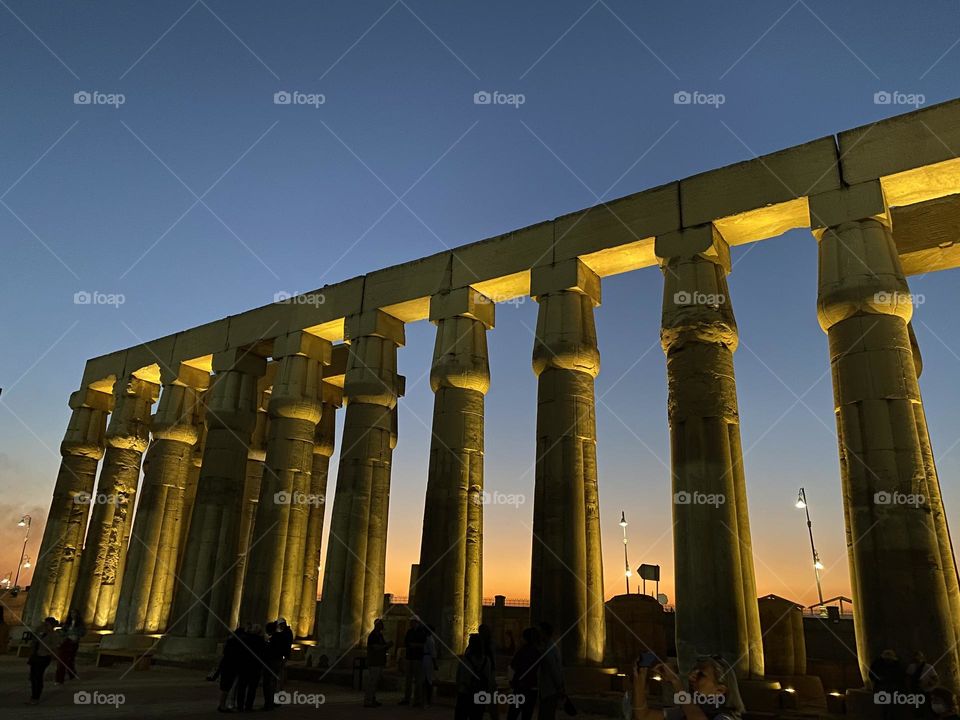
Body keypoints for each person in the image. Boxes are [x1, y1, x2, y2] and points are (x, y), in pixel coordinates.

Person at [631, 654, 745, 720]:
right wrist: (640, 678)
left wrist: (676, 682)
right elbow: (644, 715)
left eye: (701, 675)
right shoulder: (690, 710)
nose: (692, 677)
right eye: (694, 672)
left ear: (720, 690)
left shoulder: (725, 718)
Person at [456, 633, 494, 720]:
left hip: (465, 693)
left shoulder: (465, 660)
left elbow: (459, 676)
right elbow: (487, 678)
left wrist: (458, 688)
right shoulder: (486, 660)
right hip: (479, 694)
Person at [507, 627, 541, 720]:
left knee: (513, 714)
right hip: (532, 688)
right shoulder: (538, 652)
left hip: (520, 687)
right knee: (527, 715)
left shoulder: (522, 651)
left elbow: (513, 666)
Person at [26, 617, 57, 705]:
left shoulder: (54, 635)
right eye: (45, 624)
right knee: (33, 677)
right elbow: (34, 641)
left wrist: (48, 649)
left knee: (38, 677)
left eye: (47, 624)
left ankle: (36, 697)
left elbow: (54, 646)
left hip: (44, 657)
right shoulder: (40, 633)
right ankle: (33, 695)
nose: (45, 626)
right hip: (36, 656)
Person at [537, 622, 565, 720]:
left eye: (539, 632)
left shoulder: (549, 650)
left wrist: (559, 686)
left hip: (549, 689)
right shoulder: (550, 647)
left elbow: (554, 670)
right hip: (548, 689)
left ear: (544, 633)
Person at [236, 623, 266, 711]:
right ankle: (248, 706)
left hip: (244, 666)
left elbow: (240, 652)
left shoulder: (245, 639)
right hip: (255, 667)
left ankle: (240, 706)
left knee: (242, 687)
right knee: (252, 688)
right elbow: (263, 654)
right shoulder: (261, 641)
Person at [871, 649, 906, 720]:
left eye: (889, 660)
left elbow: (901, 676)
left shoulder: (896, 665)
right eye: (887, 659)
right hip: (883, 688)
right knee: (884, 708)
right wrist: (879, 679)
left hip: (892, 688)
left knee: (893, 708)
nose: (888, 661)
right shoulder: (878, 664)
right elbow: (871, 674)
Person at [216, 626, 245, 712]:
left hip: (226, 666)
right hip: (231, 667)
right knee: (226, 687)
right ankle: (222, 705)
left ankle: (222, 704)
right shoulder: (237, 643)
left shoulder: (230, 641)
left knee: (225, 687)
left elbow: (225, 653)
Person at [400, 617, 427, 706]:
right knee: (408, 679)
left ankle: (417, 700)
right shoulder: (409, 631)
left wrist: (414, 645)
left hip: (417, 658)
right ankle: (406, 699)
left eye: (412, 622)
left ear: (417, 622)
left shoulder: (422, 632)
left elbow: (423, 644)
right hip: (409, 657)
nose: (411, 624)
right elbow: (406, 642)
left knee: (418, 680)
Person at [365, 618, 392, 707]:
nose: (382, 626)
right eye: (380, 625)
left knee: (375, 682)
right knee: (372, 682)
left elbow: (382, 647)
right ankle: (368, 700)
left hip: (379, 661)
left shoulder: (379, 635)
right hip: (374, 661)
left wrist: (387, 645)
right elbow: (376, 647)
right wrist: (386, 645)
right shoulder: (373, 636)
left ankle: (372, 698)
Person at [54, 608, 85, 684]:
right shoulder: (67, 623)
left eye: (74, 613)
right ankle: (59, 679)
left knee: (70, 660)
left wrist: (72, 633)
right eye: (71, 613)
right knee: (62, 660)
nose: (73, 615)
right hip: (66, 642)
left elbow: (82, 633)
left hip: (74, 643)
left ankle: (72, 674)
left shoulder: (80, 624)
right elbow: (64, 632)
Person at [907, 651, 940, 716]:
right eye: (916, 656)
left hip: (927, 690)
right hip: (916, 690)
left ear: (923, 658)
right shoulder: (911, 667)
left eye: (919, 656)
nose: (917, 658)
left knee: (930, 707)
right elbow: (907, 678)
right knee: (918, 709)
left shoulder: (928, 667)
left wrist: (929, 684)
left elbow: (936, 679)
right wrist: (909, 687)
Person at [478, 623, 500, 718]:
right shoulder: (492, 643)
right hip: (488, 673)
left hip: (484, 673)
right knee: (491, 701)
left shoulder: (480, 644)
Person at [262, 621, 284, 710]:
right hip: (277, 661)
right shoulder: (280, 638)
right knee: (273, 682)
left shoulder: (272, 639)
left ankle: (268, 703)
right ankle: (272, 702)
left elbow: (268, 651)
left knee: (268, 683)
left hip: (270, 662)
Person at [274, 617, 294, 690]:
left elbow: (286, 644)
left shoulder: (286, 632)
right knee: (281, 669)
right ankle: (280, 685)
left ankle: (280, 686)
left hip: (283, 653)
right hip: (284, 653)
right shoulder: (286, 632)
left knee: (280, 670)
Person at [422, 624, 438, 707]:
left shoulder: (424, 638)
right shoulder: (430, 639)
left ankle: (424, 699)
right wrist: (435, 664)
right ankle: (428, 700)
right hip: (428, 659)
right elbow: (433, 653)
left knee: (425, 679)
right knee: (429, 680)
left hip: (424, 658)